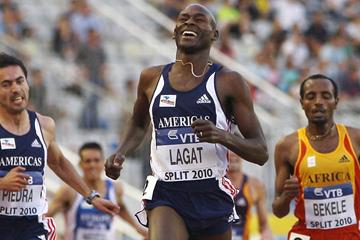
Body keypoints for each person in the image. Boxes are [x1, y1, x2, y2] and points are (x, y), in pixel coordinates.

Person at [105, 4, 268, 240]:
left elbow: (260, 152)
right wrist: (120, 152)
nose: (189, 22)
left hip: (211, 194)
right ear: (174, 31)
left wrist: (221, 135)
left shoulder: (228, 82)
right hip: (167, 193)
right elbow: (139, 124)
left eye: (199, 19)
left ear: (214, 34)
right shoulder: (151, 78)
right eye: (183, 18)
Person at [0, 52, 120, 239]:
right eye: (6, 84)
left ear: (27, 84)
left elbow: (58, 163)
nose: (15, 89)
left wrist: (91, 197)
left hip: (33, 229)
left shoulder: (44, 125)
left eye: (19, 81)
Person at [272, 74, 360, 240]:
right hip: (307, 235)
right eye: (311, 96)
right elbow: (278, 211)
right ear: (302, 103)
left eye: (326, 96)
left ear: (336, 102)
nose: (318, 101)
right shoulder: (287, 146)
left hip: (349, 235)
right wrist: (287, 196)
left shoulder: (355, 138)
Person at [47, 142, 148, 240]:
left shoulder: (115, 188)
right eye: (88, 161)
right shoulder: (69, 190)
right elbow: (47, 217)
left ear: (103, 163)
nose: (92, 165)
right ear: (80, 164)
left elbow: (121, 210)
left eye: (96, 160)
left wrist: (139, 229)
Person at [227, 151, 273, 240]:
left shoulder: (255, 185)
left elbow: (264, 226)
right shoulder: (213, 185)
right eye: (228, 151)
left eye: (235, 149)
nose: (232, 154)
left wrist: (266, 234)